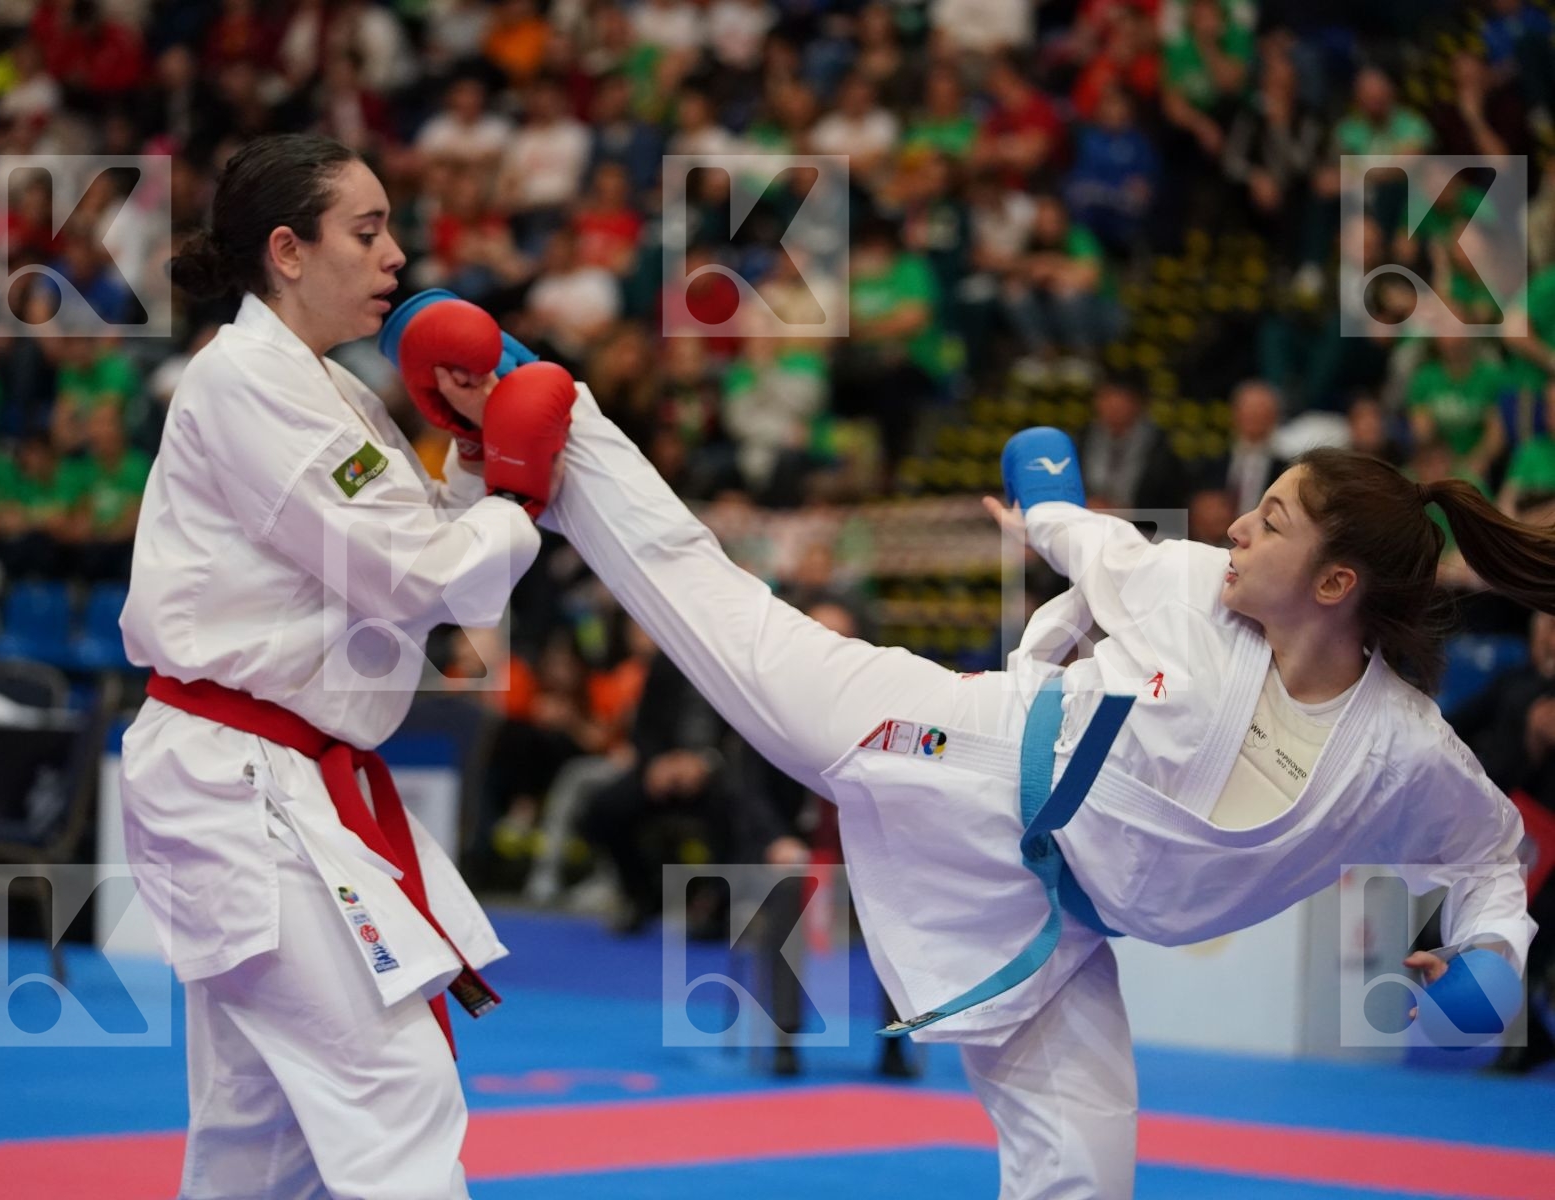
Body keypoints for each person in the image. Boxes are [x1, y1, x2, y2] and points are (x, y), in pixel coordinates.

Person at [421, 318, 1545, 1200]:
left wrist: (1489, 960)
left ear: (1335, 583)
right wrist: (1046, 495)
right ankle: (554, 420)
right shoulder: (1191, 586)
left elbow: (1489, 854)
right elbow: (1090, 538)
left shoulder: (1401, 753)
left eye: (1272, 519)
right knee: (731, 622)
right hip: (961, 750)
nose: (1238, 529)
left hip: (1058, 933)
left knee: (1084, 1178)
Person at [117, 135, 565, 1200]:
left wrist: (466, 459)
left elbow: (450, 587)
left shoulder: (337, 395)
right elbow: (417, 579)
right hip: (242, 782)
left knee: (259, 1143)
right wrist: (514, 496)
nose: (397, 257)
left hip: (284, 781)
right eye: (367, 232)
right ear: (286, 250)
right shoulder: (244, 384)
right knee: (390, 1089)